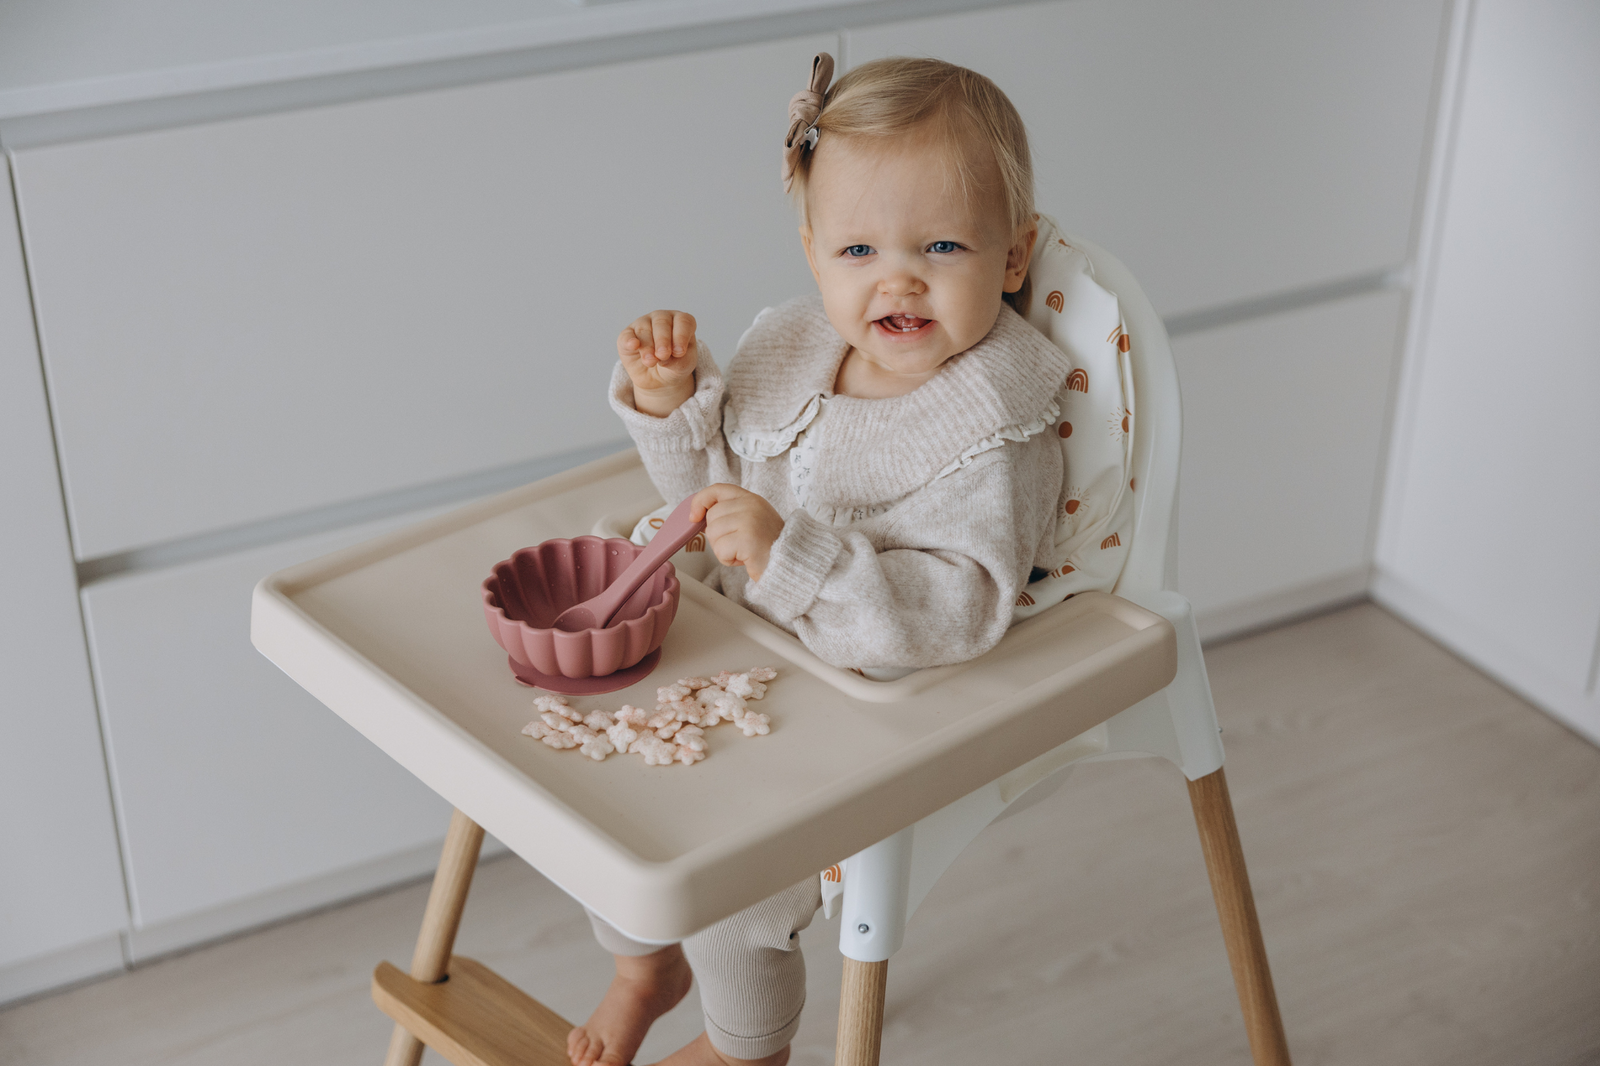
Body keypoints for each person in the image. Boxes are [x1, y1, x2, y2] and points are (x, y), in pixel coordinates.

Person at [569, 53, 1071, 1066]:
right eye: (856, 247)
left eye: (941, 244)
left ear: (1011, 257)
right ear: (811, 254)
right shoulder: (793, 345)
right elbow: (705, 500)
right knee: (607, 802)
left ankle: (742, 1045)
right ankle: (639, 969)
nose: (897, 277)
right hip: (738, 652)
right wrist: (673, 407)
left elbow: (960, 608)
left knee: (733, 887)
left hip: (856, 700)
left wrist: (789, 556)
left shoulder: (992, 423)